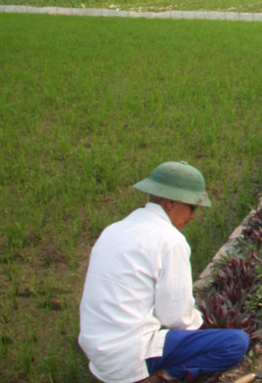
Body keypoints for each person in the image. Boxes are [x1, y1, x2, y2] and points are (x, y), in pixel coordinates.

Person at [79, 161, 249, 383]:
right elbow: (176, 318)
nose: (192, 216)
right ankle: (161, 378)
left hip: (98, 355)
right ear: (170, 204)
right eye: (192, 207)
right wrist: (205, 330)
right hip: (129, 356)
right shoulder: (170, 240)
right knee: (235, 343)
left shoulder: (114, 229)